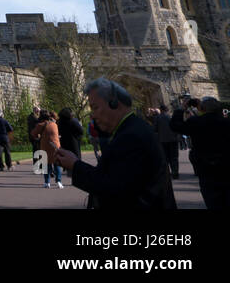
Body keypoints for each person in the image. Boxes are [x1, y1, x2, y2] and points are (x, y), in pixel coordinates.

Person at [55, 78, 176, 210]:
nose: (92, 115)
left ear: (114, 104)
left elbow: (112, 188)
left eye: (95, 107)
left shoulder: (131, 137)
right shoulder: (132, 129)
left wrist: (75, 165)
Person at [171, 97, 230, 210]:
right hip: (227, 167)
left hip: (206, 167)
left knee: (213, 201)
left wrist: (182, 108)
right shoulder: (227, 123)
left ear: (202, 108)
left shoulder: (195, 122)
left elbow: (175, 125)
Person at [31, 110, 63, 188]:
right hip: (55, 146)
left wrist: (38, 137)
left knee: (46, 164)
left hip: (45, 146)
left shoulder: (40, 125)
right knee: (57, 164)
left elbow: (33, 134)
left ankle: (47, 182)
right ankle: (59, 181)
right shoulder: (54, 124)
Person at [151, 106, 179, 179]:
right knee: (174, 157)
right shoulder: (171, 117)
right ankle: (175, 172)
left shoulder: (158, 118)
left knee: (166, 158)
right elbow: (176, 128)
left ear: (161, 110)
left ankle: (167, 173)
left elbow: (154, 129)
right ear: (167, 110)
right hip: (173, 140)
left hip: (163, 140)